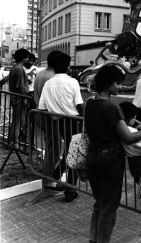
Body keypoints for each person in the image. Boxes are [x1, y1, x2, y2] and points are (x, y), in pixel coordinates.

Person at [84, 64, 141, 243]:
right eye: (117, 83)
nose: (119, 87)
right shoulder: (111, 107)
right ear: (107, 83)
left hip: (92, 155)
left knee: (99, 203)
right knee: (109, 206)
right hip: (110, 158)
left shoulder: (90, 103)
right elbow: (129, 138)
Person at [38, 52, 84, 202]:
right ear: (68, 66)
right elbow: (79, 105)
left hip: (61, 123)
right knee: (75, 154)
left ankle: (59, 173)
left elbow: (42, 107)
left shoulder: (48, 83)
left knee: (70, 150)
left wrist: (55, 111)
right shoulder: (72, 82)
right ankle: (70, 189)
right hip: (74, 121)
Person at [34, 50, 62, 182]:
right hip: (49, 116)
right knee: (54, 151)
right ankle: (47, 179)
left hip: (40, 114)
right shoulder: (51, 77)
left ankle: (47, 176)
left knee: (50, 147)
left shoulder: (40, 73)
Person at [8, 48, 30, 147]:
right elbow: (21, 86)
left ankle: (11, 140)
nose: (28, 60)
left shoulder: (14, 67)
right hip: (19, 98)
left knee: (15, 120)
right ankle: (14, 142)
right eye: (27, 58)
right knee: (19, 121)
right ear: (22, 58)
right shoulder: (20, 69)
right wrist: (25, 99)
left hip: (14, 97)